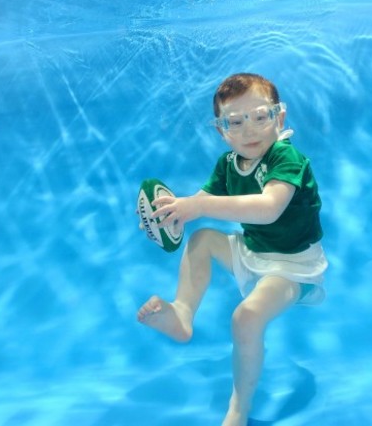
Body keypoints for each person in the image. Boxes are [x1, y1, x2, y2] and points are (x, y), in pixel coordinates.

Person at [137, 73, 328, 426]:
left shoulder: (287, 158)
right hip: (252, 251)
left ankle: (238, 410)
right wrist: (169, 212)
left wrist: (198, 208)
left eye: (260, 117)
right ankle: (181, 313)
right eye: (235, 122)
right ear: (222, 130)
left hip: (293, 267)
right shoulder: (228, 164)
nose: (249, 130)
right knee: (202, 238)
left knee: (246, 318)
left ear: (279, 118)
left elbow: (269, 208)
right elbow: (200, 203)